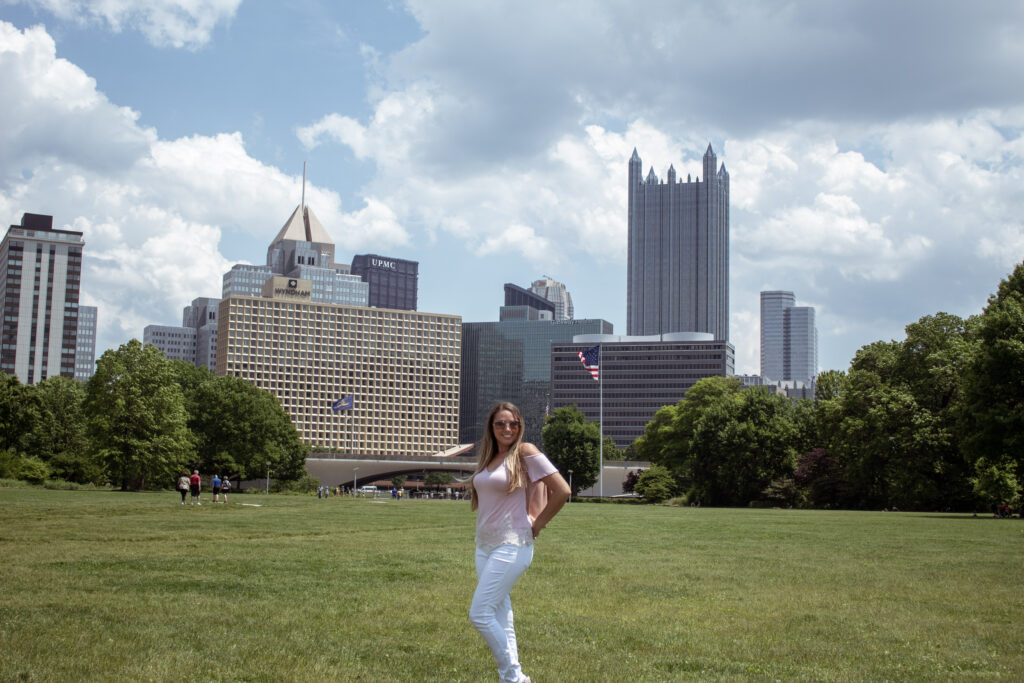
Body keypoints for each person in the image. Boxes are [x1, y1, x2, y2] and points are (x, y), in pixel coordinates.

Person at [468, 402, 570, 683]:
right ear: (491, 427)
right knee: (502, 614)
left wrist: (539, 522)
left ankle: (514, 677)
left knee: (480, 613)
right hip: (484, 545)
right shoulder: (489, 459)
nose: (507, 428)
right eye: (500, 423)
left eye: (513, 423)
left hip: (512, 544)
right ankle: (510, 678)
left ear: (520, 426)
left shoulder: (525, 453)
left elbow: (562, 490)